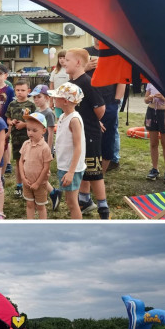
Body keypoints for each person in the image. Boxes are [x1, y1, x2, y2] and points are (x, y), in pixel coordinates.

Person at [64, 48, 108, 219]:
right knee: (81, 168)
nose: (64, 62)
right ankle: (85, 200)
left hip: (90, 133)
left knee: (94, 171)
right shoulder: (72, 82)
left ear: (78, 62)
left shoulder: (88, 82)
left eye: (67, 60)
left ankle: (103, 207)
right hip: (78, 132)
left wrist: (92, 121)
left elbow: (100, 108)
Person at [50, 82, 85, 219]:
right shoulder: (63, 117)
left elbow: (78, 147)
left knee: (72, 203)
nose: (54, 99)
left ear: (65, 101)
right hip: (64, 165)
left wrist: (71, 172)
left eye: (57, 97)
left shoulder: (74, 120)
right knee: (69, 201)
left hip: (72, 168)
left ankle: (77, 229)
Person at [30, 85, 61, 211]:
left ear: (47, 98)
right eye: (35, 97)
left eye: (39, 97)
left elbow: (50, 133)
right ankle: (52, 193)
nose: (36, 100)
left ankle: (53, 193)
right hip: (34, 146)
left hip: (43, 148)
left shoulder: (49, 113)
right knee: (36, 173)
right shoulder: (36, 112)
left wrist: (49, 150)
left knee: (40, 174)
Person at [6, 79, 37, 199]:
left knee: (29, 162)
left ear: (28, 91)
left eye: (23, 90)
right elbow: (8, 118)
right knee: (18, 162)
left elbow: (35, 121)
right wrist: (11, 122)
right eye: (17, 90)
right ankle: (19, 186)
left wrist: (24, 124)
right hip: (16, 139)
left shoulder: (31, 105)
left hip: (28, 139)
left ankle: (30, 184)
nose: (20, 92)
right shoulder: (12, 104)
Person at [20, 113, 53, 220]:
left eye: (34, 130)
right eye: (28, 129)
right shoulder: (25, 144)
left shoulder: (45, 148)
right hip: (27, 183)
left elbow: (46, 167)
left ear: (43, 131)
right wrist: (23, 179)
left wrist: (38, 183)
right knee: (29, 204)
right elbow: (21, 162)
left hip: (40, 184)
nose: (30, 133)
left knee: (40, 206)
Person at [144, 83, 165, 184]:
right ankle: (154, 169)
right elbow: (145, 99)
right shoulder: (150, 82)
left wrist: (163, 98)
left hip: (164, 113)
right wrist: (149, 98)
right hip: (152, 112)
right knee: (153, 143)